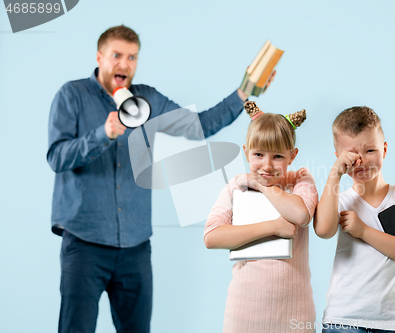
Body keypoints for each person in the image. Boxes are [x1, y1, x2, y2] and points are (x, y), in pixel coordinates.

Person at [46, 25, 268, 333]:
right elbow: (57, 157)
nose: (125, 64)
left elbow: (198, 126)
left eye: (132, 57)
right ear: (100, 57)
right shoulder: (72, 95)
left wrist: (244, 92)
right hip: (84, 244)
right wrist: (103, 134)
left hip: (135, 247)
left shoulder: (146, 99)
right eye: (117, 55)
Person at [203, 101, 318, 333]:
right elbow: (211, 236)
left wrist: (263, 186)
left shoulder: (299, 180)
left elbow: (301, 214)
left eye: (277, 156)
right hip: (244, 314)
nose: (266, 165)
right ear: (246, 152)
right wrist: (273, 227)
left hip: (295, 317)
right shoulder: (236, 187)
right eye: (258, 154)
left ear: (292, 156)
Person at [313, 106, 395, 333]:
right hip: (343, 321)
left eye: (370, 151)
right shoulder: (339, 200)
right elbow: (323, 230)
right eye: (353, 155)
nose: (362, 161)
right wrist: (335, 174)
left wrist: (363, 230)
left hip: (393, 322)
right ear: (339, 158)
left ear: (384, 150)